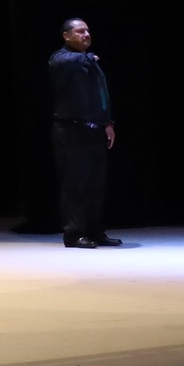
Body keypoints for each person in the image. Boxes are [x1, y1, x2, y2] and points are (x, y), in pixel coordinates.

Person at [49, 18, 120, 249]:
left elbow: (101, 93)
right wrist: (88, 58)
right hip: (71, 131)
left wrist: (107, 122)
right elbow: (63, 61)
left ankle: (95, 231)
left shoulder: (89, 61)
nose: (86, 34)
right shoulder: (62, 58)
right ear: (66, 36)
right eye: (80, 31)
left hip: (94, 130)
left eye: (88, 31)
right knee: (75, 185)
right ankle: (74, 234)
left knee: (96, 184)